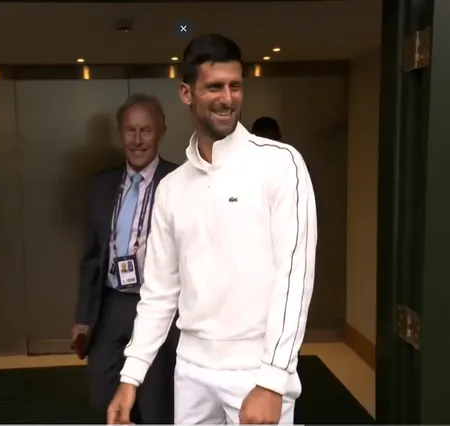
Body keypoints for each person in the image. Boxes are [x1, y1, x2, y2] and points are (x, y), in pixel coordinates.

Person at [107, 34, 318, 425]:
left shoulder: (281, 165)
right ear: (187, 94)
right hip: (190, 370)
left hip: (257, 369)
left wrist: (272, 380)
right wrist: (130, 376)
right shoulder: (172, 188)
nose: (227, 98)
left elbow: (295, 279)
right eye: (214, 87)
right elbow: (159, 293)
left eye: (235, 86)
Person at [72, 93, 180, 424]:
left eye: (145, 130)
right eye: (130, 130)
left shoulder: (179, 183)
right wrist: (83, 317)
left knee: (156, 400)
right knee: (105, 394)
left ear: (161, 131)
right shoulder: (101, 186)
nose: (137, 140)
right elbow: (92, 258)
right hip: (112, 305)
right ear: (121, 133)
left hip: (161, 308)